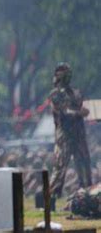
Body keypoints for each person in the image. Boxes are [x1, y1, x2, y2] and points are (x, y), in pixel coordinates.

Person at [49, 62, 92, 197]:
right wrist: (79, 113)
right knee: (60, 168)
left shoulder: (76, 92)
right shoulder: (55, 94)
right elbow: (62, 111)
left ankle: (87, 195)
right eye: (63, 71)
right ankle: (51, 198)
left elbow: (81, 106)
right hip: (64, 136)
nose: (67, 74)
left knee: (84, 165)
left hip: (79, 135)